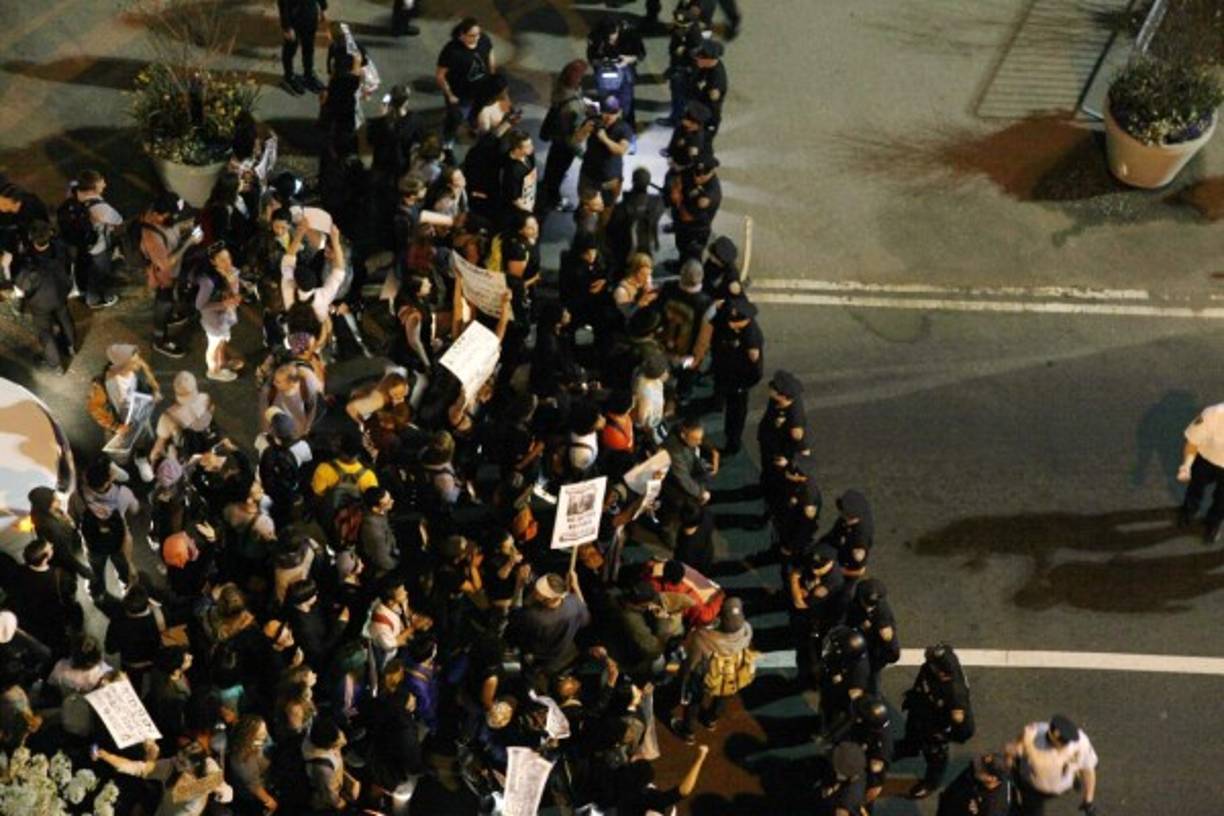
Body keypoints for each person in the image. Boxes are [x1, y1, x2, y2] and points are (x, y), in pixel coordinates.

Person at [893, 643, 975, 799]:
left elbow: (966, 729)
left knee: (936, 756)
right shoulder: (932, 667)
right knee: (912, 735)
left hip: (936, 727)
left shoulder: (955, 695)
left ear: (942, 673)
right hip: (920, 712)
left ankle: (931, 783)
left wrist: (944, 735)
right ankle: (909, 748)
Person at [671, 596, 753, 743]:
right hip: (730, 672)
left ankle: (688, 731)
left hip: (704, 675)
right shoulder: (747, 631)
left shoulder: (704, 637)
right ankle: (711, 720)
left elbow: (692, 662)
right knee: (722, 697)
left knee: (694, 700)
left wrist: (684, 678)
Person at [141, 192, 203, 358]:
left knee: (168, 297)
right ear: (157, 215)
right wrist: (189, 242)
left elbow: (172, 229)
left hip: (170, 271)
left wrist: (187, 227)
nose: (174, 218)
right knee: (164, 300)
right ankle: (159, 340)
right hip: (163, 275)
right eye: (170, 216)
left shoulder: (160, 215)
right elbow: (166, 264)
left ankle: (169, 317)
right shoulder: (151, 236)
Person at [13, 220, 76, 373]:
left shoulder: (28, 262)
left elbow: (22, 287)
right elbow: (69, 264)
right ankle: (71, 347)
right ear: (50, 234)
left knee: (45, 331)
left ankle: (56, 364)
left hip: (40, 302)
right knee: (64, 318)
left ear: (31, 237)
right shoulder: (60, 249)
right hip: (60, 294)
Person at [1006, 715, 1099, 816]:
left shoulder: (1081, 743)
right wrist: (1088, 799)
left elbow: (1088, 769)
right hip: (1052, 783)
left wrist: (1088, 800)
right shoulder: (1035, 731)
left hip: (1036, 787)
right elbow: (1088, 770)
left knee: (1031, 809)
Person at [708, 294, 763, 456]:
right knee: (722, 395)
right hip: (724, 370)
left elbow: (756, 370)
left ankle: (733, 444)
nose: (730, 324)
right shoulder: (727, 317)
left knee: (735, 415)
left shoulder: (751, 337)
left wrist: (743, 386)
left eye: (735, 321)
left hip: (738, 382)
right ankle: (717, 403)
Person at [537, 59, 589, 218]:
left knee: (553, 166)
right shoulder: (572, 106)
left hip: (556, 139)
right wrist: (583, 156)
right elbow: (571, 139)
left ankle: (547, 185)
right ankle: (553, 200)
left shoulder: (561, 89)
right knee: (558, 172)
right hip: (565, 145)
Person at [63, 170, 121, 308]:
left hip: (81, 243)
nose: (104, 185)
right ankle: (102, 298)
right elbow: (118, 220)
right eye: (101, 183)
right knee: (101, 273)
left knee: (88, 270)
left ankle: (89, 295)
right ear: (92, 187)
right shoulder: (100, 208)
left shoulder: (73, 192)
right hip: (98, 246)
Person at [436, 17, 496, 145]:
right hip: (460, 94)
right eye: (472, 35)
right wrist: (450, 95)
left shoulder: (483, 40)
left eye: (478, 34)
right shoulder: (452, 50)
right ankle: (448, 140)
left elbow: (490, 54)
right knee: (455, 119)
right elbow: (440, 75)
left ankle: (472, 124)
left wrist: (492, 75)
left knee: (476, 111)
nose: (476, 38)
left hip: (480, 91)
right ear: (462, 35)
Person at [578, 96, 634, 217]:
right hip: (589, 176)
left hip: (610, 180)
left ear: (619, 112)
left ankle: (602, 228)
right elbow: (576, 139)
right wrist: (584, 130)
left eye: (613, 113)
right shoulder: (593, 121)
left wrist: (604, 139)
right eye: (606, 112)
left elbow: (621, 150)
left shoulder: (624, 128)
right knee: (585, 211)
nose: (608, 117)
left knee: (607, 211)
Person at [197, 242, 244, 382]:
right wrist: (223, 304)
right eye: (222, 260)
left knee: (221, 341)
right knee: (213, 345)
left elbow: (234, 291)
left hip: (225, 315)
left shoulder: (231, 271)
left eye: (228, 257)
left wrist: (235, 294)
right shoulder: (208, 282)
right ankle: (213, 371)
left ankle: (221, 362)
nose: (227, 262)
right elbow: (200, 306)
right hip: (214, 319)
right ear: (213, 262)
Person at [1178, 400, 1224, 543]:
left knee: (1222, 501)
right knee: (1195, 488)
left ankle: (1213, 523)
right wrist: (1186, 466)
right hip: (1205, 461)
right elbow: (1193, 443)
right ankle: (1189, 510)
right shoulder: (1213, 414)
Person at [937, 751, 1013, 816]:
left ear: (992, 778)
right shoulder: (976, 772)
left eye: (981, 768)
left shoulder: (992, 808)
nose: (976, 764)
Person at [278, 0, 328, 95]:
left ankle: (308, 75)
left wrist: (323, 7)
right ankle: (289, 76)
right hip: (293, 17)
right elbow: (282, 3)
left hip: (310, 12)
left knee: (309, 47)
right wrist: (286, 26)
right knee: (290, 48)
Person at [689, 38, 728, 148]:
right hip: (699, 106)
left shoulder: (716, 83)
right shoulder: (707, 66)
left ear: (709, 59)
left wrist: (704, 124)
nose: (696, 59)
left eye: (700, 57)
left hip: (706, 116)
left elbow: (713, 107)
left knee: (702, 143)